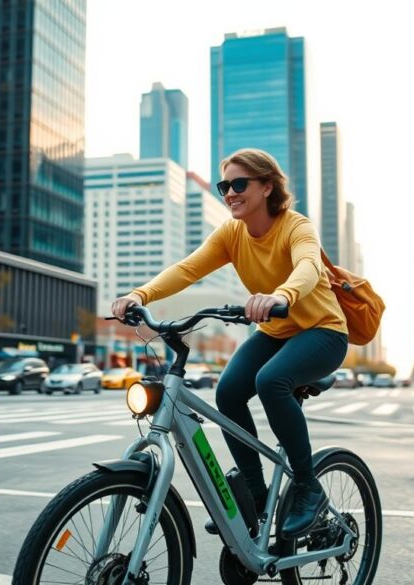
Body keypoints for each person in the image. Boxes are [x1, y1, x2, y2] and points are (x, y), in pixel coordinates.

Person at [111, 148, 349, 540]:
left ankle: (308, 487)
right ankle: (255, 494)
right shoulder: (231, 234)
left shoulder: (296, 226)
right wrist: (141, 295)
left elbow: (308, 266)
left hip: (323, 331)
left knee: (270, 381)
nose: (230, 193)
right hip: (276, 333)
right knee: (228, 392)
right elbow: (188, 268)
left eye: (240, 184)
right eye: (225, 186)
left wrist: (281, 296)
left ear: (267, 186)